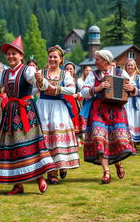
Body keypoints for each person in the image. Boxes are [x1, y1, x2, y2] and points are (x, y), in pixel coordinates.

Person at [0, 36, 55, 195]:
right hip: (10, 112)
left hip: (26, 111)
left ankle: (40, 176)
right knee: (12, 147)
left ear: (21, 55)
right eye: (9, 54)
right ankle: (17, 184)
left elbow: (39, 84)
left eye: (14, 53)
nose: (11, 56)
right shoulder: (4, 73)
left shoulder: (28, 70)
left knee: (31, 144)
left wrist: (40, 80)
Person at [81, 49, 136, 184]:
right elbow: (83, 92)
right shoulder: (93, 75)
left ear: (105, 61)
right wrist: (97, 88)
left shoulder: (120, 72)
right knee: (99, 140)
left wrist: (131, 88)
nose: (95, 62)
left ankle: (118, 163)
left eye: (97, 59)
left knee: (118, 139)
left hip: (117, 111)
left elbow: (133, 87)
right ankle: (106, 171)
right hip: (98, 111)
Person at [33, 45, 80, 184]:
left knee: (57, 138)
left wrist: (57, 88)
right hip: (43, 106)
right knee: (46, 139)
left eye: (55, 57)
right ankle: (51, 173)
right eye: (50, 56)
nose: (52, 59)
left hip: (59, 108)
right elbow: (34, 89)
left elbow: (72, 90)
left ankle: (61, 164)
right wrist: (40, 82)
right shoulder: (41, 72)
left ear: (61, 59)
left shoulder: (65, 74)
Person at [123, 59, 140, 144]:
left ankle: (134, 143)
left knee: (135, 121)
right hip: (125, 102)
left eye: (131, 65)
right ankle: (128, 142)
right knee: (127, 120)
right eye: (128, 65)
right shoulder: (122, 77)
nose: (130, 67)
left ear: (135, 67)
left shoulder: (138, 77)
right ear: (125, 67)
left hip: (136, 102)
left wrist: (135, 90)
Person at [64, 62, 85, 138]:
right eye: (67, 69)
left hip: (74, 103)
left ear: (74, 70)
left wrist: (78, 94)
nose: (69, 70)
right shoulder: (63, 79)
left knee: (74, 119)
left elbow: (83, 91)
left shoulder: (77, 81)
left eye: (70, 69)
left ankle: (76, 139)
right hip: (64, 102)